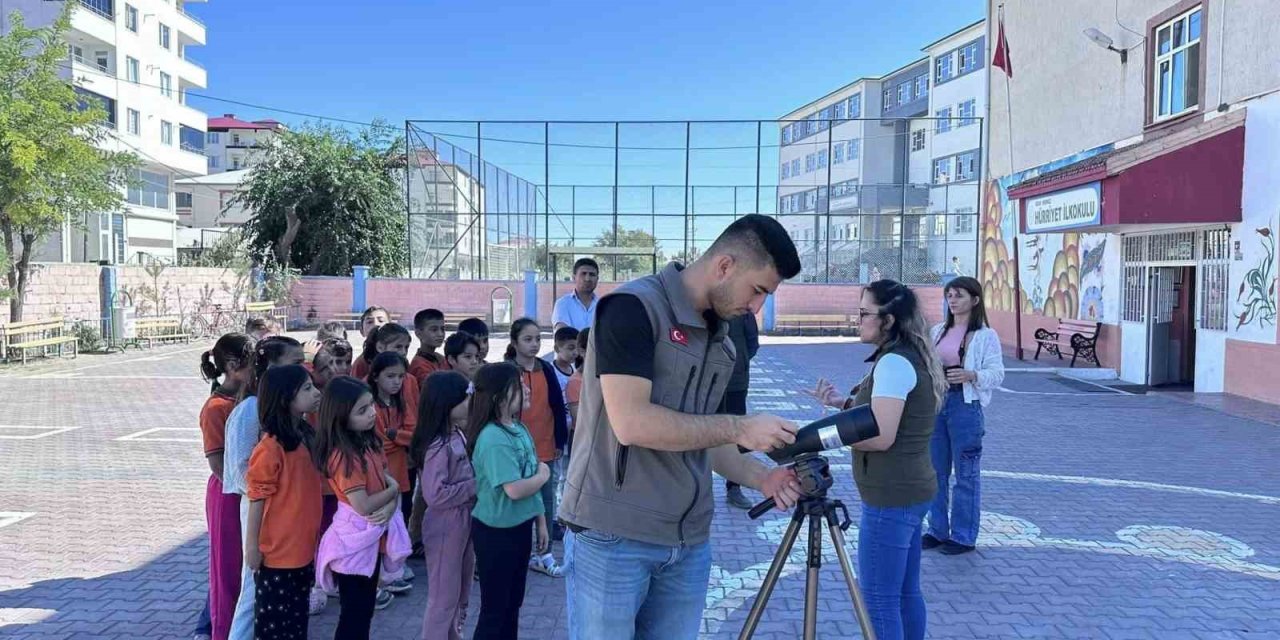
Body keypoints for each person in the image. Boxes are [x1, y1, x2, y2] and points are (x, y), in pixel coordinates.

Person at [560, 213, 805, 639]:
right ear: (725, 266)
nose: (756, 307)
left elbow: (702, 437)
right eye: (758, 290)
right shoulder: (633, 308)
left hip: (687, 544)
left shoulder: (721, 342)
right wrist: (739, 427)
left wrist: (763, 477)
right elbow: (632, 423)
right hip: (613, 538)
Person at [810, 279, 947, 640]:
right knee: (904, 592)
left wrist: (821, 436)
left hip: (891, 498)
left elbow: (882, 436)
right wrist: (842, 405)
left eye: (864, 314)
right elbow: (887, 416)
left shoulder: (893, 364)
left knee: (878, 598)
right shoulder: (909, 357)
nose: (858, 320)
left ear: (888, 320)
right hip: (912, 490)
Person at [223, 336, 310, 639]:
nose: (305, 370)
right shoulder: (250, 410)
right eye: (297, 364)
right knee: (253, 591)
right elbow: (237, 472)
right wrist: (271, 489)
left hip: (280, 513)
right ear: (273, 369)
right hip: (261, 510)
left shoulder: (291, 415)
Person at [313, 376, 411, 640]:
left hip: (370, 538)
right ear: (340, 416)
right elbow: (364, 504)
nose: (372, 413)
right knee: (354, 615)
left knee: (364, 611)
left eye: (371, 406)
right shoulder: (344, 455)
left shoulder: (369, 441)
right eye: (362, 410)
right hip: (353, 544)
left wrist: (390, 506)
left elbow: (385, 481)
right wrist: (392, 492)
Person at [466, 363, 551, 640]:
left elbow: (529, 471)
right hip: (495, 533)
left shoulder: (518, 428)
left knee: (513, 604)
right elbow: (515, 489)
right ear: (498, 396)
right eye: (518, 385)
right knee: (495, 609)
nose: (526, 389)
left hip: (519, 527)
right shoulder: (492, 437)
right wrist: (544, 475)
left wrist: (540, 521)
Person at [243, 365, 324, 640]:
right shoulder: (270, 448)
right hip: (277, 556)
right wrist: (252, 547)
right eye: (307, 388)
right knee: (274, 629)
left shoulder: (305, 436)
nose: (315, 393)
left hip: (303, 550)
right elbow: (256, 500)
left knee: (296, 624)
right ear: (285, 398)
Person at [924, 276, 1003, 555]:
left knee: (966, 474)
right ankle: (936, 530)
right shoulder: (937, 331)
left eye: (958, 295)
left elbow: (997, 373)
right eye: (949, 295)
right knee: (935, 472)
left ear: (975, 300)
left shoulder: (985, 336)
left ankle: (963, 536)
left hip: (965, 406)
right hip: (937, 404)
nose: (953, 301)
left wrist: (971, 375)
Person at [409, 371, 477, 640]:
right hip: (446, 524)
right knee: (443, 595)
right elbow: (435, 494)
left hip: (464, 519)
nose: (470, 403)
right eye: (466, 398)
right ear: (446, 404)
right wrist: (476, 486)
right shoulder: (438, 445)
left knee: (461, 588)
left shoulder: (457, 434)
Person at [198, 333, 254, 640]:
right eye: (252, 363)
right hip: (228, 494)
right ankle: (223, 631)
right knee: (227, 571)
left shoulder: (247, 399)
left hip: (246, 494)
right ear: (233, 366)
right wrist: (251, 488)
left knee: (247, 567)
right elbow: (219, 466)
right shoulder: (216, 407)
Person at [504, 318, 569, 576]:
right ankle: (517, 551)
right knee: (516, 499)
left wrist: (559, 440)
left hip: (544, 444)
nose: (533, 345)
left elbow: (556, 405)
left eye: (537, 340)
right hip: (514, 448)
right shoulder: (507, 371)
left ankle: (545, 553)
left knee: (546, 499)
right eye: (527, 339)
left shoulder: (546, 368)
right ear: (514, 342)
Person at [366, 351, 416, 596]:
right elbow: (378, 442)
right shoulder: (370, 405)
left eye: (400, 376)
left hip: (400, 471)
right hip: (381, 474)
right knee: (381, 522)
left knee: (398, 520)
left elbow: (410, 432)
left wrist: (396, 435)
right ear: (375, 377)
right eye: (390, 376)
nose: (396, 382)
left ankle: (393, 570)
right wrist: (396, 437)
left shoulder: (399, 402)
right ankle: (382, 575)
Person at [721, 313, 760, 510]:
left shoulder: (744, 311)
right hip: (704, 383)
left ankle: (734, 487)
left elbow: (753, 343)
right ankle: (695, 487)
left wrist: (739, 361)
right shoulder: (704, 303)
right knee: (696, 431)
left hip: (736, 382)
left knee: (737, 435)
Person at [552, 258, 600, 331]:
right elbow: (563, 335)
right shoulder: (563, 304)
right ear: (574, 278)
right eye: (583, 274)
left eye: (592, 274)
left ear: (597, 279)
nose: (587, 279)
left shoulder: (603, 306)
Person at [410, 308, 448, 380]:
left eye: (442, 329)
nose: (440, 334)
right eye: (434, 330)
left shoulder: (440, 358)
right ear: (418, 334)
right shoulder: (419, 365)